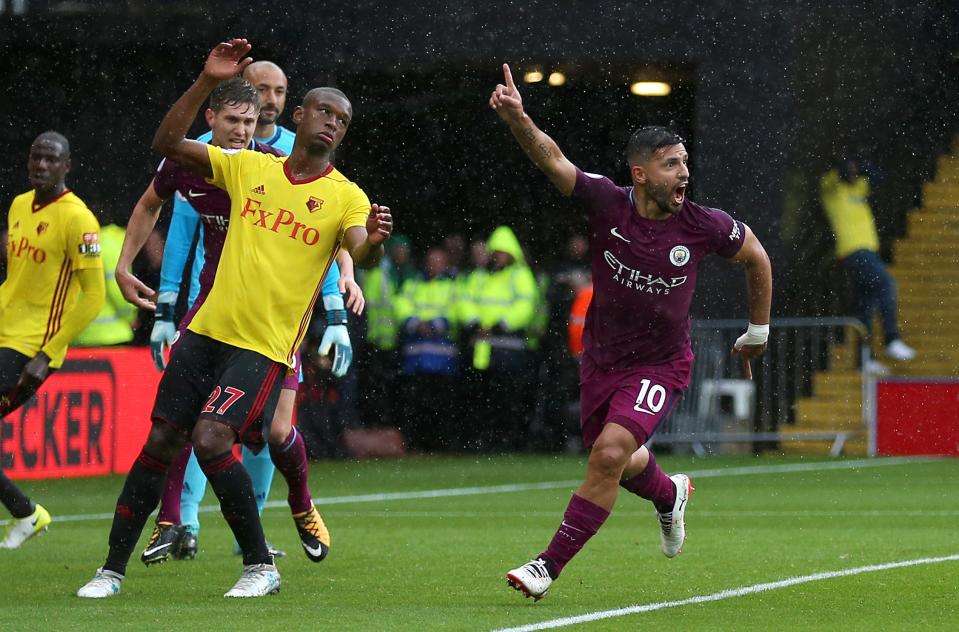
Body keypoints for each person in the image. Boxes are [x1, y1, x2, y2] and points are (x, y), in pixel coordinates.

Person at [77, 39, 391, 599]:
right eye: (324, 112)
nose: (332, 123)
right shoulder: (248, 169)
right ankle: (111, 569)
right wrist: (203, 80)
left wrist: (374, 252)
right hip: (205, 330)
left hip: (264, 345)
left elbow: (358, 249)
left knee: (215, 436)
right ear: (298, 116)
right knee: (160, 443)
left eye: (342, 120)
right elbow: (167, 146)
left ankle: (259, 563)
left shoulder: (347, 196)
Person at [489, 64, 772, 600]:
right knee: (616, 456)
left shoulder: (703, 225)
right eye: (670, 165)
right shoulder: (608, 203)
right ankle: (669, 494)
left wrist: (758, 328)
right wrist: (519, 120)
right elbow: (553, 160)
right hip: (602, 361)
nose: (683, 173)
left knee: (609, 454)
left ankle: (547, 566)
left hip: (661, 364)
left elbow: (757, 256)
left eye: (685, 162)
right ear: (641, 174)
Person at [145, 62, 362, 564]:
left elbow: (342, 233)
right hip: (214, 312)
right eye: (262, 88)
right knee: (195, 425)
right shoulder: (230, 161)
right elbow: (166, 220)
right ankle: (180, 522)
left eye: (278, 90)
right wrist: (165, 304)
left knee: (275, 432)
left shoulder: (288, 158)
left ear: (289, 102)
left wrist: (338, 303)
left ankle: (295, 507)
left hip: (277, 327)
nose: (269, 99)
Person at [1, 132, 106, 548]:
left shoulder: (78, 219)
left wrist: (49, 352)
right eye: (36, 158)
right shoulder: (18, 206)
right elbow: (17, 282)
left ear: (67, 166)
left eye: (51, 159)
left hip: (29, 348)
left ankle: (27, 512)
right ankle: (27, 512)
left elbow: (94, 297)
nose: (41, 166)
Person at [820, 158, 916, 366]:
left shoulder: (858, 190)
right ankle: (891, 339)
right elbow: (831, 179)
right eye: (850, 172)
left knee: (867, 303)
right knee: (887, 283)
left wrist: (864, 167)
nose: (854, 175)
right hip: (855, 251)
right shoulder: (834, 191)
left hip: (865, 253)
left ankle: (864, 358)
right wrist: (845, 168)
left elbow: (879, 177)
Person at [460, 226, 538, 451]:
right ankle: (486, 441)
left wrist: (499, 324)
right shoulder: (479, 276)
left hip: (508, 349)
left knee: (508, 398)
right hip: (482, 349)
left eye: (502, 252)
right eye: (496, 252)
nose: (498, 256)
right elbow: (464, 301)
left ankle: (507, 441)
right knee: (482, 398)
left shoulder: (519, 275)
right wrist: (475, 322)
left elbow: (526, 305)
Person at [394, 246, 459, 450]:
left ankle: (440, 445)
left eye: (439, 261)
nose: (434, 265)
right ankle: (417, 445)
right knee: (416, 406)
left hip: (443, 359)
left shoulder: (452, 286)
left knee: (441, 405)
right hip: (416, 358)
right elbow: (400, 305)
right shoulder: (413, 285)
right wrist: (415, 322)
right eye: (431, 260)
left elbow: (458, 308)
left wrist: (436, 324)